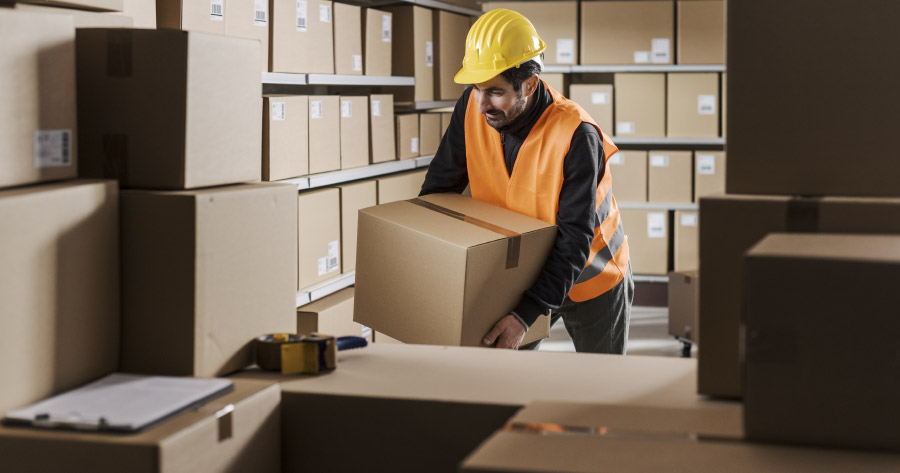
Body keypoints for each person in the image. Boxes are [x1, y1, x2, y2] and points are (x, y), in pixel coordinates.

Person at [419, 9, 634, 354]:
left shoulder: (577, 135)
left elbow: (574, 239)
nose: (480, 105)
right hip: (519, 274)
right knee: (505, 380)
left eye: (495, 92)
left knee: (599, 388)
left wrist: (525, 314)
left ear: (530, 85)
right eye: (475, 89)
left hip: (591, 275)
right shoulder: (474, 108)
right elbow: (438, 190)